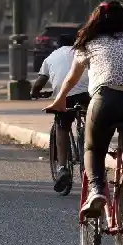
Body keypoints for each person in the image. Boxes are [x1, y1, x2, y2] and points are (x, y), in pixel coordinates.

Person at [45, 0, 123, 218]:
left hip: (107, 100)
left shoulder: (88, 43)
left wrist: (60, 100)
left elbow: (72, 78)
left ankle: (96, 190)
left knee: (93, 149)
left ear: (94, 20)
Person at [31, 33, 91, 192]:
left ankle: (62, 167)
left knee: (62, 126)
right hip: (88, 94)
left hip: (66, 96)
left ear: (57, 45)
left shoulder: (51, 57)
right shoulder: (84, 52)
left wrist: (35, 93)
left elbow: (40, 82)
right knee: (91, 120)